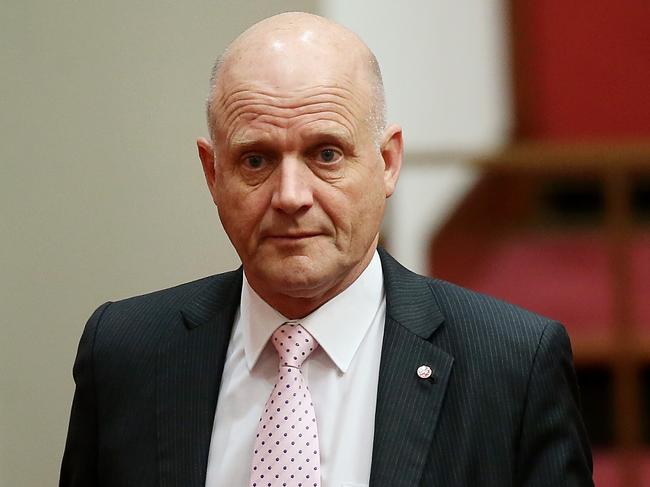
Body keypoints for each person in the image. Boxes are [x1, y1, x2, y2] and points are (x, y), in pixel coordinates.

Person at [60, 12, 594, 487]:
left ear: (387, 163)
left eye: (326, 154)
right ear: (211, 172)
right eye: (255, 161)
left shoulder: (512, 367)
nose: (291, 196)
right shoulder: (126, 355)